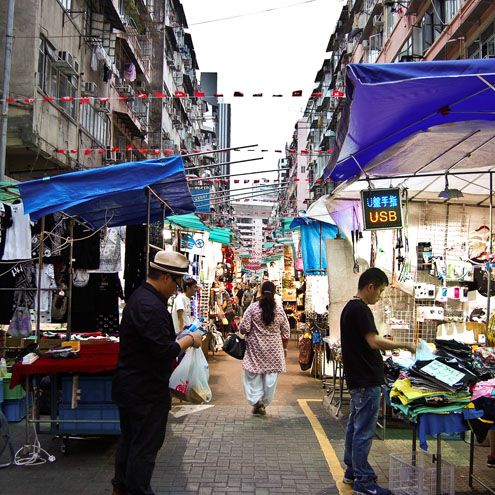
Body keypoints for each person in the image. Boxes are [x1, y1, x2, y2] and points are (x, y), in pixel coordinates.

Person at [111, 251, 203, 495]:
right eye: (176, 283)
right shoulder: (150, 306)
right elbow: (164, 351)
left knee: (131, 442)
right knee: (143, 448)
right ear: (164, 277)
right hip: (145, 391)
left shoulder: (142, 298)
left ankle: (121, 487)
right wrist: (189, 340)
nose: (176, 289)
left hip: (133, 387)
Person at [340, 267, 417, 495]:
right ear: (370, 287)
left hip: (359, 381)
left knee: (355, 427)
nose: (380, 296)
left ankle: (352, 471)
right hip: (366, 381)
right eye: (381, 291)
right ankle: (364, 481)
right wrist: (404, 345)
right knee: (363, 430)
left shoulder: (349, 308)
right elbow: (373, 342)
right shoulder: (360, 310)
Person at [239, 280, 289, 415]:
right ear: (274, 293)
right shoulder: (279, 310)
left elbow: (244, 328)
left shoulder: (253, 308)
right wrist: (285, 348)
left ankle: (256, 400)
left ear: (260, 292)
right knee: (270, 377)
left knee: (252, 374)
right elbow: (286, 332)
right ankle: (264, 401)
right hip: (274, 349)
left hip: (255, 348)